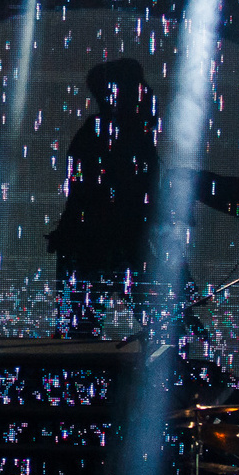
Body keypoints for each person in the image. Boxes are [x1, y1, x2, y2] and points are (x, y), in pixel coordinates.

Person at [46, 58, 159, 337]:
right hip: (106, 245)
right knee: (163, 326)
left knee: (79, 335)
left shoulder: (101, 133)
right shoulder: (124, 137)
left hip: (96, 245)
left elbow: (82, 194)